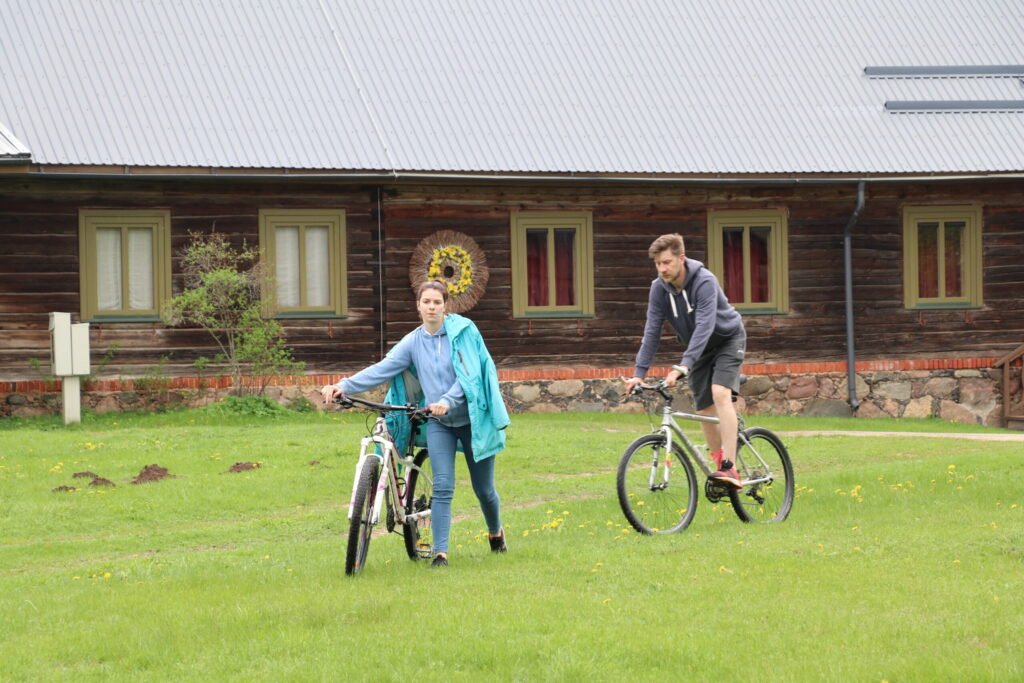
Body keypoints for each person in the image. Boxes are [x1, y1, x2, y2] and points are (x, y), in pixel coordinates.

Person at [321, 280, 510, 568]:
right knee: (443, 486)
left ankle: (496, 533)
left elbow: (469, 376)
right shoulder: (413, 341)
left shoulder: (463, 333)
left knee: (483, 489)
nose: (432, 307)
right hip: (439, 423)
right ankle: (441, 554)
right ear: (418, 306)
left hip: (472, 419)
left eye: (437, 302)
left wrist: (447, 399)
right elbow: (382, 369)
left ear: (445, 306)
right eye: (427, 302)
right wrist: (342, 385)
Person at [624, 233, 746, 489]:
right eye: (658, 264)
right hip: (698, 350)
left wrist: (684, 365)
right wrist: (639, 373)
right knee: (703, 409)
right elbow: (652, 330)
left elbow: (704, 325)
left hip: (726, 340)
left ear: (681, 258)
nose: (662, 269)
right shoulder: (658, 288)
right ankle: (718, 467)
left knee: (720, 393)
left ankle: (731, 469)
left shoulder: (704, 281)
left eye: (667, 262)